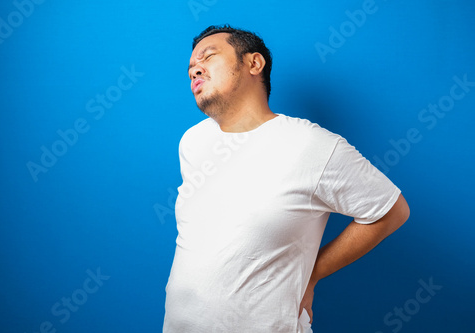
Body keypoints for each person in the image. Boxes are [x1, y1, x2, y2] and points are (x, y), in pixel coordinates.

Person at [163, 24, 410, 333]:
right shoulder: (193, 142)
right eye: (190, 68)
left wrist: (313, 272)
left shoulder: (313, 145)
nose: (194, 70)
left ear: (254, 63)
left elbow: (392, 211)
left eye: (208, 56)